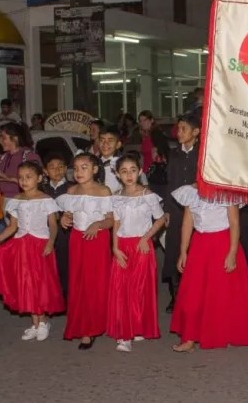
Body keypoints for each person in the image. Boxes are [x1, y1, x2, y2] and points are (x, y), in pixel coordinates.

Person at [170, 183, 248, 352]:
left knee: (222, 292)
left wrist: (232, 252)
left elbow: (234, 223)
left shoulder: (227, 192)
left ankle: (223, 332)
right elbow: (187, 223)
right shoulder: (190, 192)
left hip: (222, 244)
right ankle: (189, 337)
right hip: (199, 244)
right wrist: (183, 251)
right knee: (193, 291)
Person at [0, 161, 63, 341]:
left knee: (40, 283)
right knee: (26, 283)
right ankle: (34, 323)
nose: (24, 181)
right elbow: (13, 226)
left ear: (39, 178)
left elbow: (53, 225)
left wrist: (50, 242)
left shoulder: (46, 200)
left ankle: (43, 321)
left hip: (40, 245)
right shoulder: (16, 200)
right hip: (21, 246)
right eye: (21, 177)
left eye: (28, 177)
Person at [108, 154, 166, 353]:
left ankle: (136, 326)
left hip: (142, 246)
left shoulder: (147, 195)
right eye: (124, 171)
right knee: (121, 289)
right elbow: (116, 222)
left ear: (140, 171)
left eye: (133, 170)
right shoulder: (116, 196)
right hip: (122, 246)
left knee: (138, 289)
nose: (129, 175)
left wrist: (145, 237)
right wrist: (115, 248)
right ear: (117, 174)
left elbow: (160, 219)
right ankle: (125, 334)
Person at [57, 153, 114, 349]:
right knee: (78, 281)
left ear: (95, 169)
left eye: (84, 167)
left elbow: (110, 220)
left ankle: (93, 326)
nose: (78, 172)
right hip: (77, 239)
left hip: (96, 239)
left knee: (95, 282)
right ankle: (82, 324)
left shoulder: (103, 191)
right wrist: (64, 218)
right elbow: (68, 213)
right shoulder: (71, 191)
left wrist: (98, 224)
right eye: (75, 168)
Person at [163, 114, 200, 313]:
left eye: (183, 129)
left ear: (196, 132)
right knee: (173, 251)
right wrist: (167, 210)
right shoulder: (174, 154)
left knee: (195, 251)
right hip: (176, 209)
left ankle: (195, 296)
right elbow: (170, 182)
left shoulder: (203, 154)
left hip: (198, 210)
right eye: (178, 129)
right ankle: (175, 296)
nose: (179, 132)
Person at [40, 152, 74, 298]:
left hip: (65, 233)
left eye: (60, 167)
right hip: (44, 232)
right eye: (52, 167)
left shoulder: (72, 188)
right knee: (47, 264)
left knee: (64, 263)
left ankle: (66, 294)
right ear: (45, 171)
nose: (57, 170)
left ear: (66, 169)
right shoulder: (41, 190)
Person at [0, 123, 42, 201]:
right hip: (5, 202)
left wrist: (12, 179)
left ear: (15, 138)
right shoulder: (2, 158)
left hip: (24, 201)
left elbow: (37, 182)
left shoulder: (29, 156)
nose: (0, 142)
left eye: (3, 138)